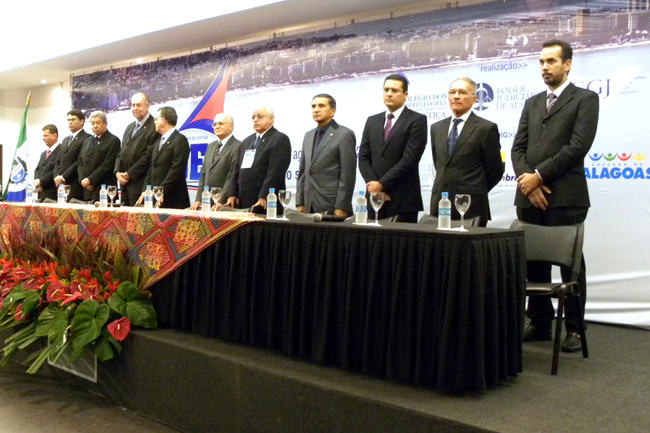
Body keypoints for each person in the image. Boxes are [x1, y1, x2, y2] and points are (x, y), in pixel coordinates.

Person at [512, 39, 599, 352]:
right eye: (541, 62)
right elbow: (518, 148)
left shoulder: (585, 99)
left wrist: (539, 177)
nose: (545, 67)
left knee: (570, 265)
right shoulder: (532, 102)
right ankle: (540, 323)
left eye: (551, 61)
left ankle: (574, 328)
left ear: (567, 64)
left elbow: (577, 146)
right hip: (529, 195)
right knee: (533, 262)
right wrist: (528, 182)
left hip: (566, 196)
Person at [429, 77, 503, 226]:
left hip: (471, 205)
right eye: (452, 92)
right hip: (440, 203)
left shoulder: (485, 128)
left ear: (474, 99)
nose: (456, 96)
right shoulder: (436, 128)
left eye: (462, 92)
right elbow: (439, 164)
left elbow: (495, 170)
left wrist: (474, 189)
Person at [358, 73, 427, 223]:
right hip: (373, 199)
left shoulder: (417, 120)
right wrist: (374, 187)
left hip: (402, 200)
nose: (389, 94)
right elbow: (363, 157)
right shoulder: (372, 121)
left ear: (405, 95)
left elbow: (410, 160)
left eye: (394, 90)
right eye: (386, 90)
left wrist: (382, 185)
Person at [296, 94, 356, 217]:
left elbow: (347, 175)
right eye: (313, 106)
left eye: (321, 106)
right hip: (308, 205)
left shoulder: (344, 134)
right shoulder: (308, 136)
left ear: (333, 111)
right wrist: (300, 202)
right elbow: (303, 173)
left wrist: (342, 205)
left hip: (332, 205)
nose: (316, 110)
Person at [224, 106, 291, 213]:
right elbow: (235, 170)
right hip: (243, 200)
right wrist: (232, 193)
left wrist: (264, 196)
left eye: (260, 117)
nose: (255, 120)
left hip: (266, 202)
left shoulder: (279, 139)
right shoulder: (246, 141)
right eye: (253, 117)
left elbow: (276, 172)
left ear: (271, 119)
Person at [140, 107, 191, 209]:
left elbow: (177, 169)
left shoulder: (180, 140)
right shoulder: (157, 142)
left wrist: (161, 190)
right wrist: (146, 190)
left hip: (173, 199)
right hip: (156, 198)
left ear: (163, 120)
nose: (154, 122)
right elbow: (151, 169)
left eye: (156, 119)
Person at [115, 93, 159, 206]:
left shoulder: (154, 127)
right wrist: (117, 172)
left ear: (147, 106)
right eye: (133, 105)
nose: (135, 108)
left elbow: (148, 156)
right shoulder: (129, 127)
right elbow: (121, 152)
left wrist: (130, 174)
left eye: (139, 105)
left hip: (140, 185)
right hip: (124, 186)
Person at [190, 113, 240, 210]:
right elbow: (203, 174)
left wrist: (221, 200)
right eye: (215, 124)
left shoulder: (238, 146)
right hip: (206, 202)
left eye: (220, 123)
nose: (217, 126)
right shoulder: (211, 146)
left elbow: (232, 176)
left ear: (231, 126)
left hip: (224, 203)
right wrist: (198, 199)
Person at [77, 111, 120, 203]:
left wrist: (90, 180)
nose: (95, 126)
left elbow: (108, 165)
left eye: (98, 123)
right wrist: (83, 180)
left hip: (104, 188)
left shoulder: (113, 140)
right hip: (86, 189)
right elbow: (80, 162)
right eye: (92, 123)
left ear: (105, 123)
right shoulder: (86, 141)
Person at [54, 110, 91, 201]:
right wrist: (57, 176)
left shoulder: (87, 138)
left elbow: (79, 161)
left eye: (73, 119)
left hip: (76, 185)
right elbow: (58, 160)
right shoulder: (65, 140)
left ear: (82, 121)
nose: (70, 122)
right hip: (61, 186)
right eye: (68, 120)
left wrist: (63, 177)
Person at [33, 124, 62, 201]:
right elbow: (38, 169)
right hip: (40, 193)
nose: (43, 138)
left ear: (55, 136)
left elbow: (56, 171)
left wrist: (41, 182)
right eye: (43, 136)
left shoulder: (62, 151)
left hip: (52, 194)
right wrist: (37, 184)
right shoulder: (43, 154)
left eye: (46, 136)